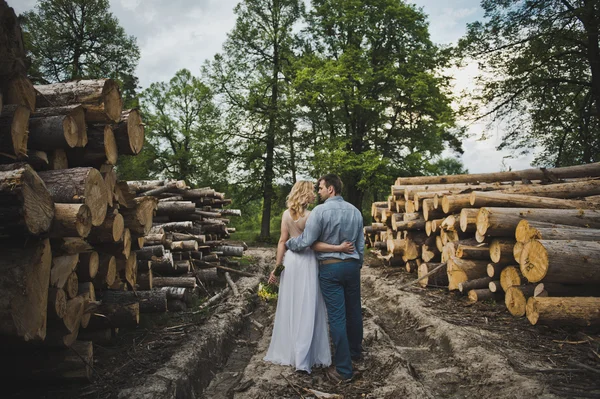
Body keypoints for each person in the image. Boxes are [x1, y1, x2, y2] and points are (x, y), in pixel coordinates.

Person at [263, 180, 354, 374]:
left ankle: (292, 352)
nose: (314, 194)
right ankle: (305, 356)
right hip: (307, 263)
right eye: (312, 191)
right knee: (308, 306)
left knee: (292, 305)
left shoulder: (286, 215)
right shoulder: (312, 216)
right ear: (305, 193)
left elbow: (282, 242)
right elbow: (313, 244)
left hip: (290, 262)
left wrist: (277, 268)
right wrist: (339, 248)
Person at [286, 174, 364, 382]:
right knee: (354, 311)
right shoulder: (355, 211)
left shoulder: (320, 211)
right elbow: (361, 245)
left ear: (331, 189)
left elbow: (307, 241)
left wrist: (289, 244)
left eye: (320, 188)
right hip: (352, 266)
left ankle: (344, 370)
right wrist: (357, 264)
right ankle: (355, 354)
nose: (318, 192)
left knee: (337, 317)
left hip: (330, 269)